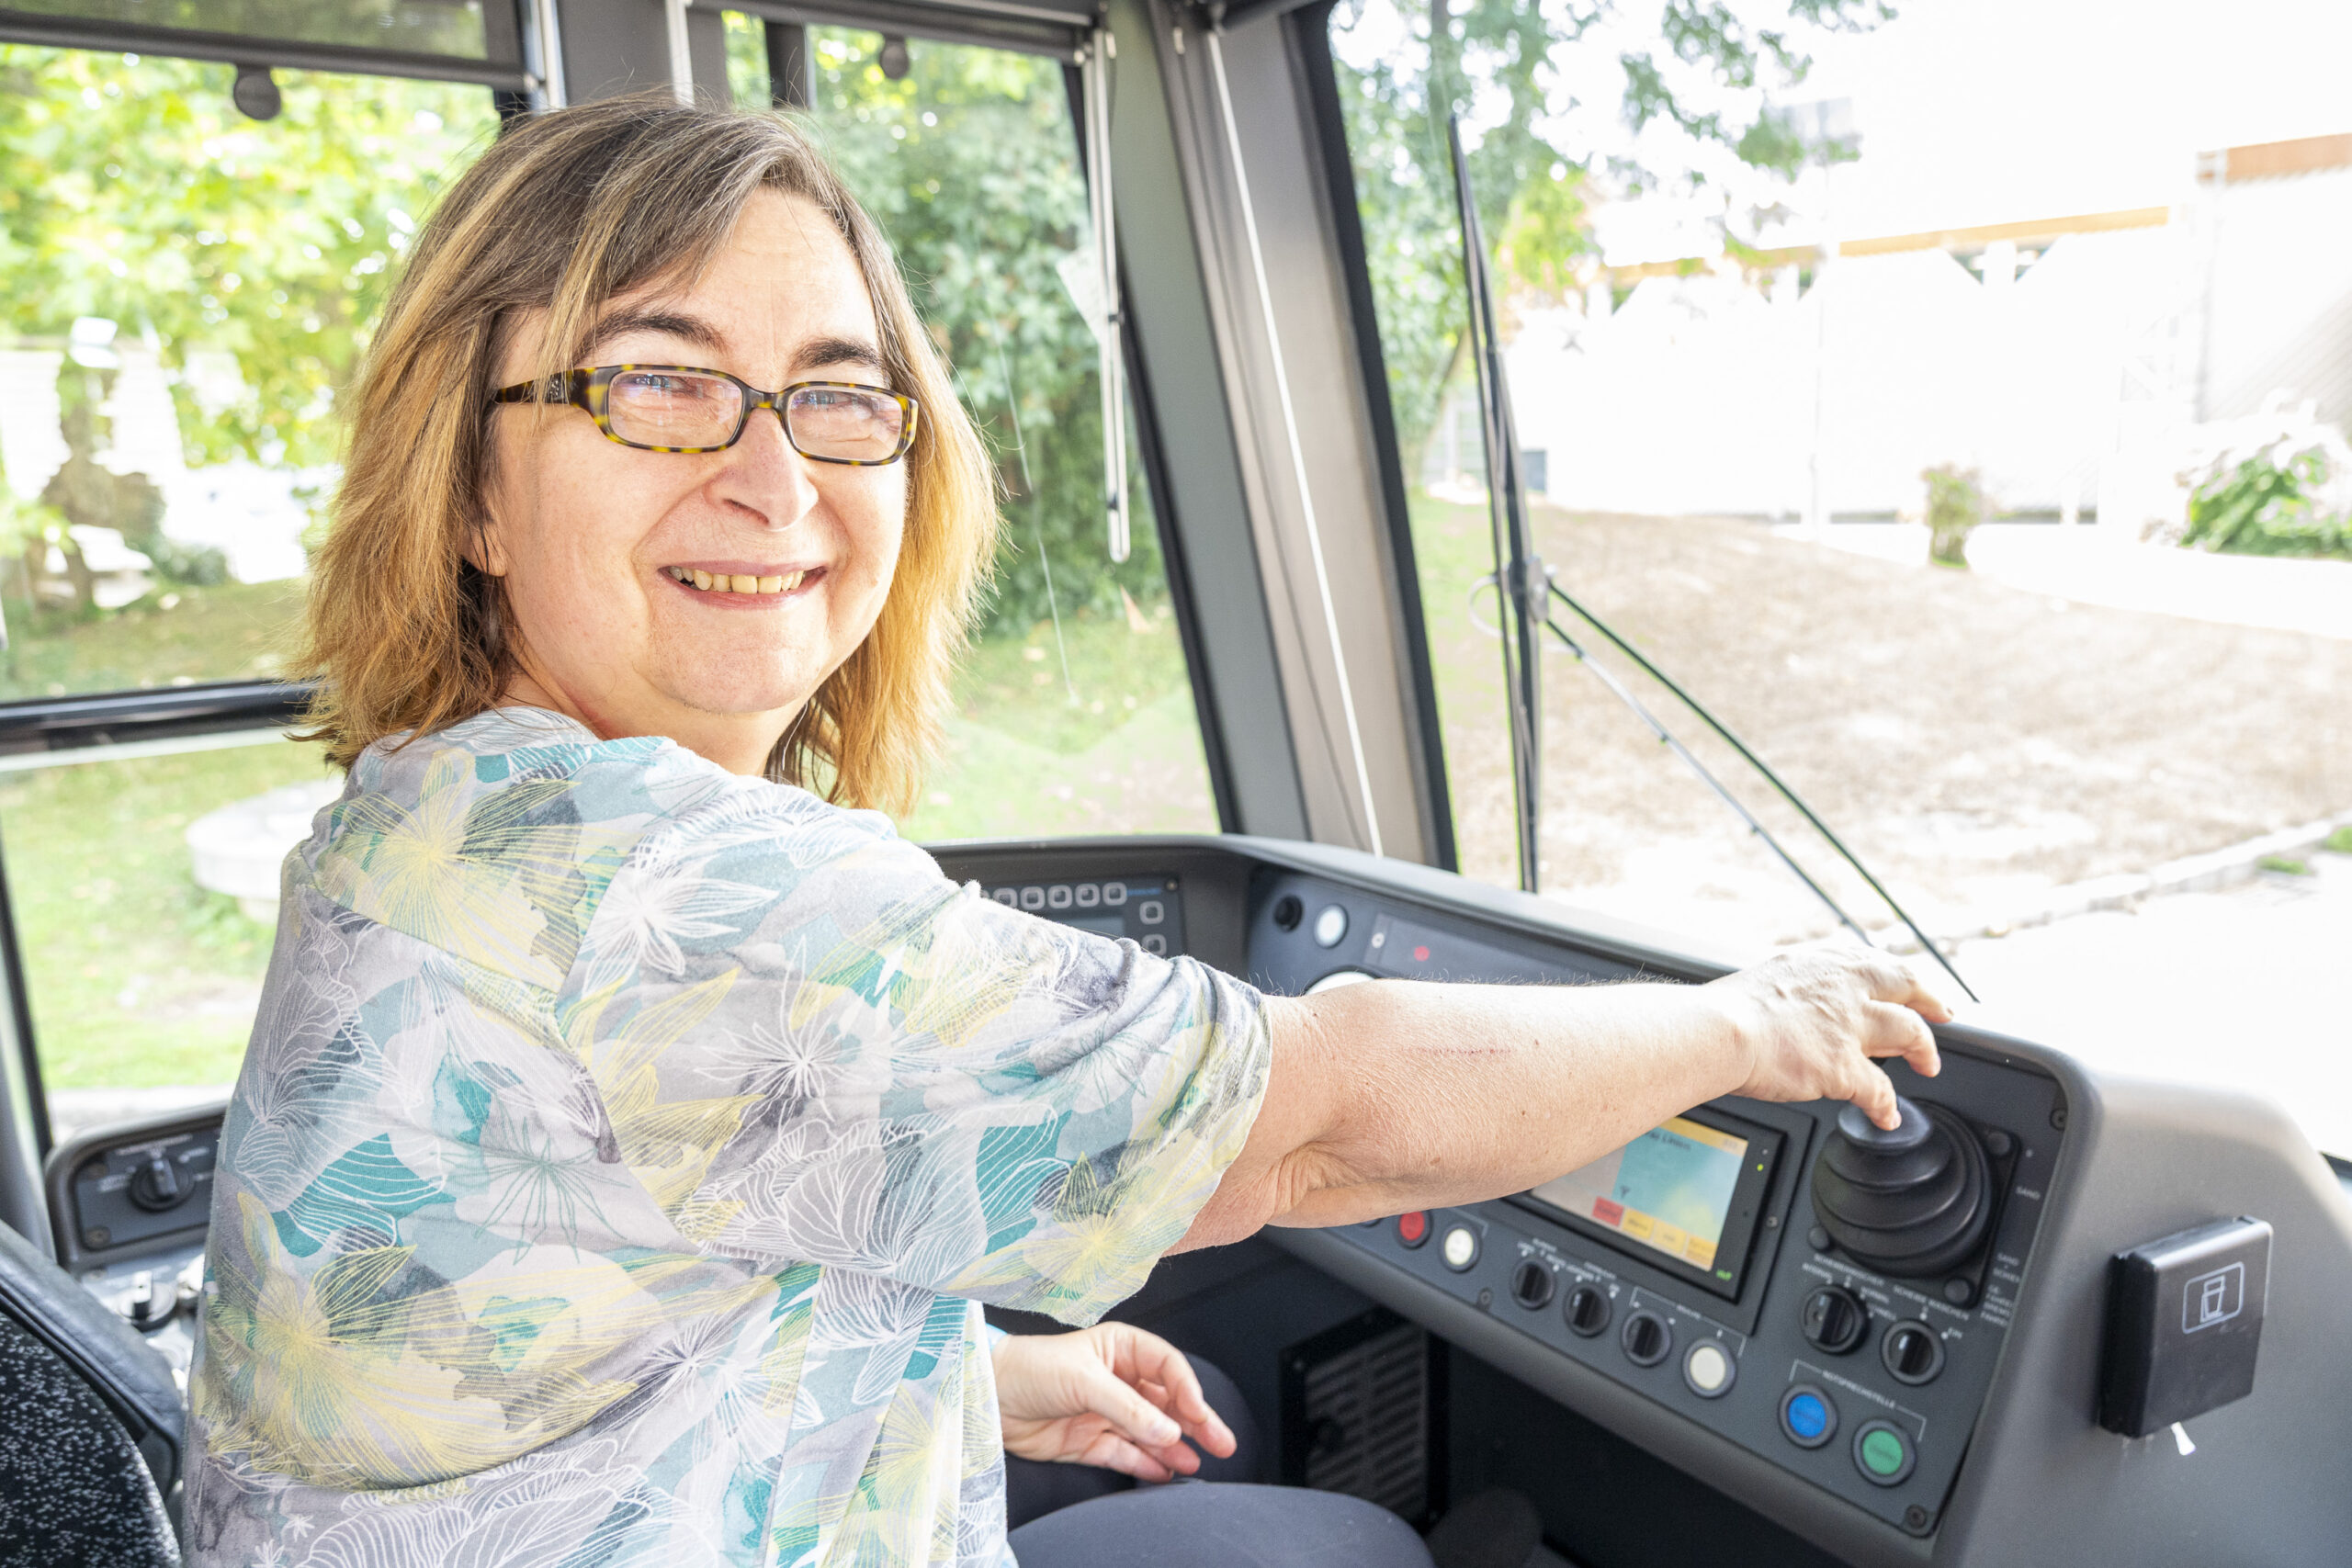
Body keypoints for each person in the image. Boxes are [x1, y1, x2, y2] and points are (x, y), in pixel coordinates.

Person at [184, 96, 1946, 1568]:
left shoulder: (428, 811)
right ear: (472, 489)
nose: (775, 481)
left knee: (1245, 1472)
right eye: (658, 383)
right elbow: (1312, 1127)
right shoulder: (670, 888)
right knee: (1350, 1547)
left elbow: (548, 1310)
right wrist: (1745, 1026)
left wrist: (978, 1380)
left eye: (837, 396)